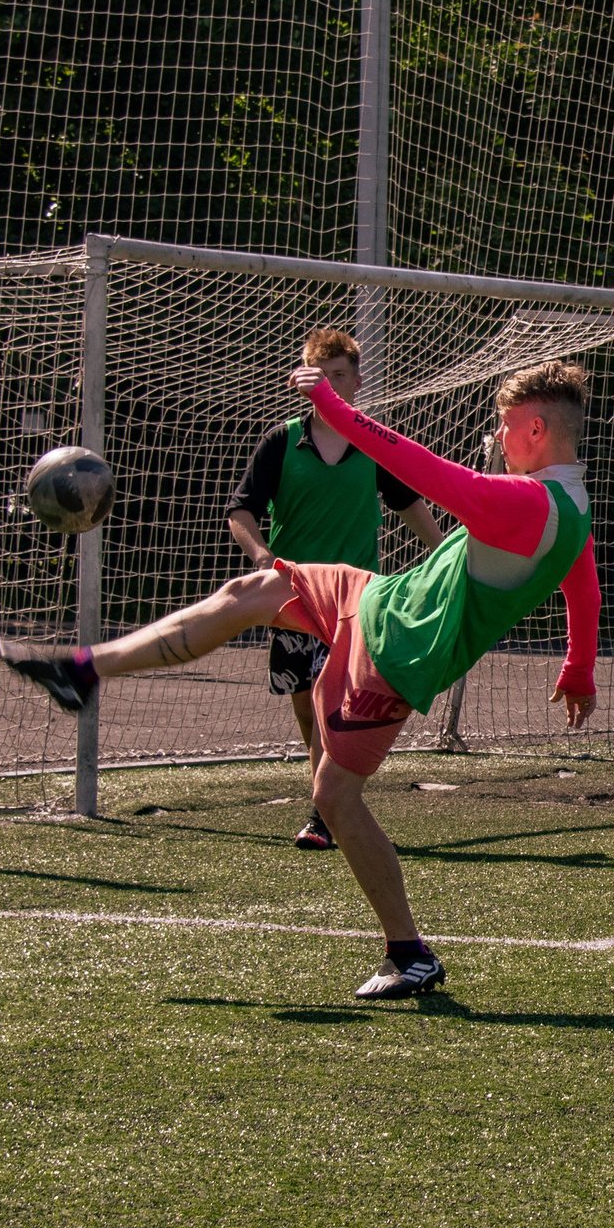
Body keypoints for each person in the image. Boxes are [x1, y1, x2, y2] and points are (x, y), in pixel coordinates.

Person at [3, 361, 602, 1001]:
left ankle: (411, 954)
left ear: (535, 429)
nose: (498, 438)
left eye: (506, 426)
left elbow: (426, 472)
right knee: (253, 589)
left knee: (336, 799)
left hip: (396, 654)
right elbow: (584, 583)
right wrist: (578, 667)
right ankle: (83, 670)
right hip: (377, 597)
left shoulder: (524, 502)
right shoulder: (570, 503)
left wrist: (334, 409)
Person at [227, 328, 445, 851]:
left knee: (336, 706)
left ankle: (326, 811)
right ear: (300, 378)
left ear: (357, 381)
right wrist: (261, 559)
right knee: (307, 708)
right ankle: (329, 802)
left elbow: (409, 503)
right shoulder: (282, 440)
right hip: (293, 598)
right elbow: (241, 512)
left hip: (354, 601)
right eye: (318, 374)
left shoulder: (375, 442)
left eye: (339, 375)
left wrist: (446, 554)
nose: (328, 383)